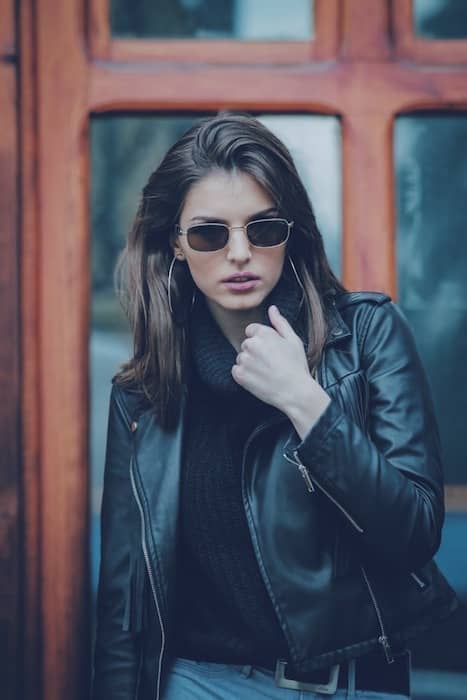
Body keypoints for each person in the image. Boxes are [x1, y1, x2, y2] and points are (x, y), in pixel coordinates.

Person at [91, 112, 458, 700]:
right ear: (176, 246)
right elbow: (123, 596)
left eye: (263, 230)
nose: (240, 253)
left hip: (349, 685)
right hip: (195, 684)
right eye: (211, 233)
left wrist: (306, 404)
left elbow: (414, 532)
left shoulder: (366, 337)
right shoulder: (144, 392)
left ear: (292, 234)